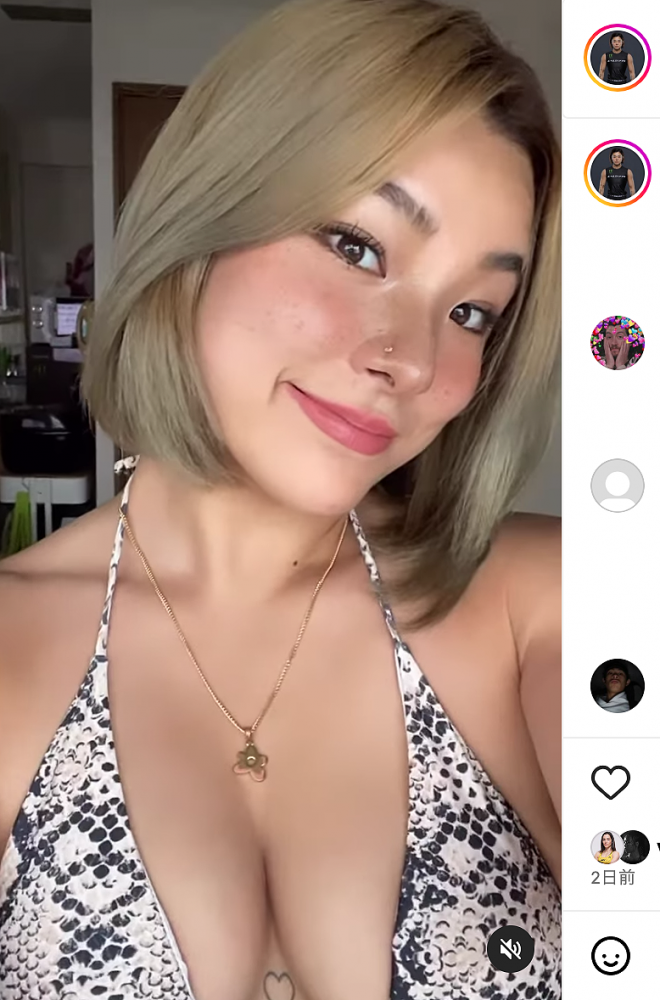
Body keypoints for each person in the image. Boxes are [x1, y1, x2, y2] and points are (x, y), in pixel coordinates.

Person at [0, 2, 562, 998]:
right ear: (202, 220)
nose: (411, 359)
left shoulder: (540, 606)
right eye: (357, 246)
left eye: (472, 311)